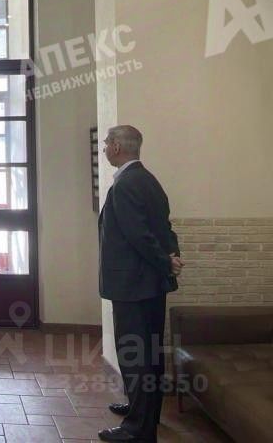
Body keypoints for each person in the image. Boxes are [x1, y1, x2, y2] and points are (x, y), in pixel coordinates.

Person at [98, 125, 184, 443]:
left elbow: (139, 236)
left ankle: (138, 429)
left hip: (132, 286)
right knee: (149, 353)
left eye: (106, 143)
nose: (104, 148)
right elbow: (164, 228)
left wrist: (165, 261)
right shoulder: (147, 179)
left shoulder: (126, 184)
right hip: (150, 284)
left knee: (135, 355)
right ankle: (145, 411)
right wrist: (171, 257)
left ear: (117, 147)